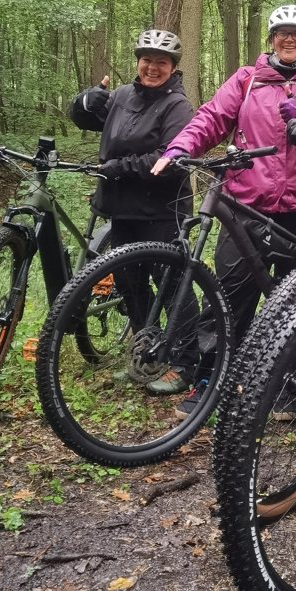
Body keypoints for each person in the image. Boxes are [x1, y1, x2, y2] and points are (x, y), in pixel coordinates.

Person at [155, 3, 296, 368]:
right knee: (228, 293)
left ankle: (288, 385)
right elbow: (212, 117)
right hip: (246, 202)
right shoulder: (248, 78)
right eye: (282, 34)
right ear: (271, 39)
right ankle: (212, 377)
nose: (289, 40)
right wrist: (181, 146)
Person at [68, 26, 199, 385]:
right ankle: (148, 355)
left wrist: (118, 168)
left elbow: (170, 158)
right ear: (138, 63)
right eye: (146, 61)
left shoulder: (177, 105)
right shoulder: (122, 95)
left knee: (172, 286)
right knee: (131, 285)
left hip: (162, 210)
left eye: (161, 62)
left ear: (173, 67)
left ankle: (187, 363)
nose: (152, 68)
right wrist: (86, 102)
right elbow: (87, 120)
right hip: (121, 208)